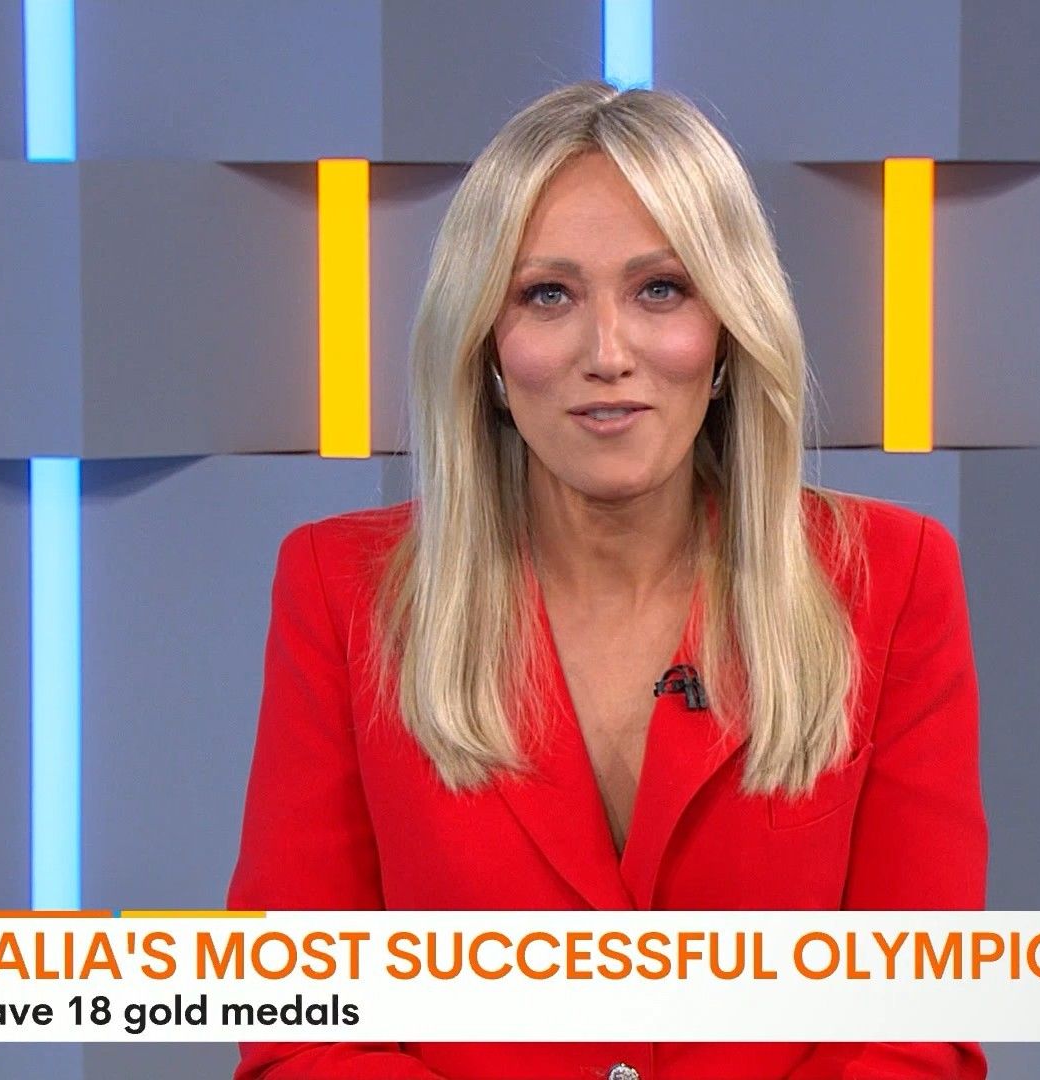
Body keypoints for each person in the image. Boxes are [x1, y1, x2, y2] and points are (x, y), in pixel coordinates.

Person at [228, 79, 988, 1080]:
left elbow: (916, 1020)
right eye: (548, 295)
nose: (608, 353)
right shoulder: (341, 591)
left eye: (659, 290)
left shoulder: (892, 578)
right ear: (486, 348)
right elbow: (303, 1025)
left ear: (727, 332)